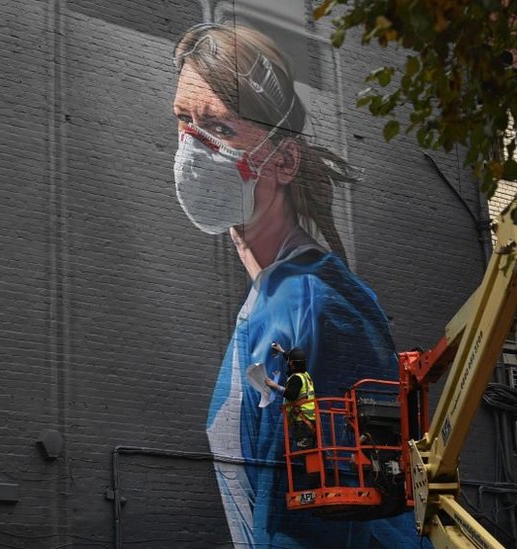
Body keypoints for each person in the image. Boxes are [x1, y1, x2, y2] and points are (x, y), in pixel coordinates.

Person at [172, 21, 422, 548]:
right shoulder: (271, 299)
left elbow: (344, 510)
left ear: (283, 161)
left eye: (218, 128)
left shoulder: (312, 305)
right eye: (182, 121)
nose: (192, 147)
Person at [265, 347, 316, 450]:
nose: (288, 363)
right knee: (310, 453)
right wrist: (281, 350)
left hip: (302, 422)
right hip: (311, 421)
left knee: (306, 453)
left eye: (289, 362)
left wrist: (275, 385)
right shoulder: (305, 375)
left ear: (292, 363)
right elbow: (294, 358)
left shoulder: (296, 378)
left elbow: (291, 395)